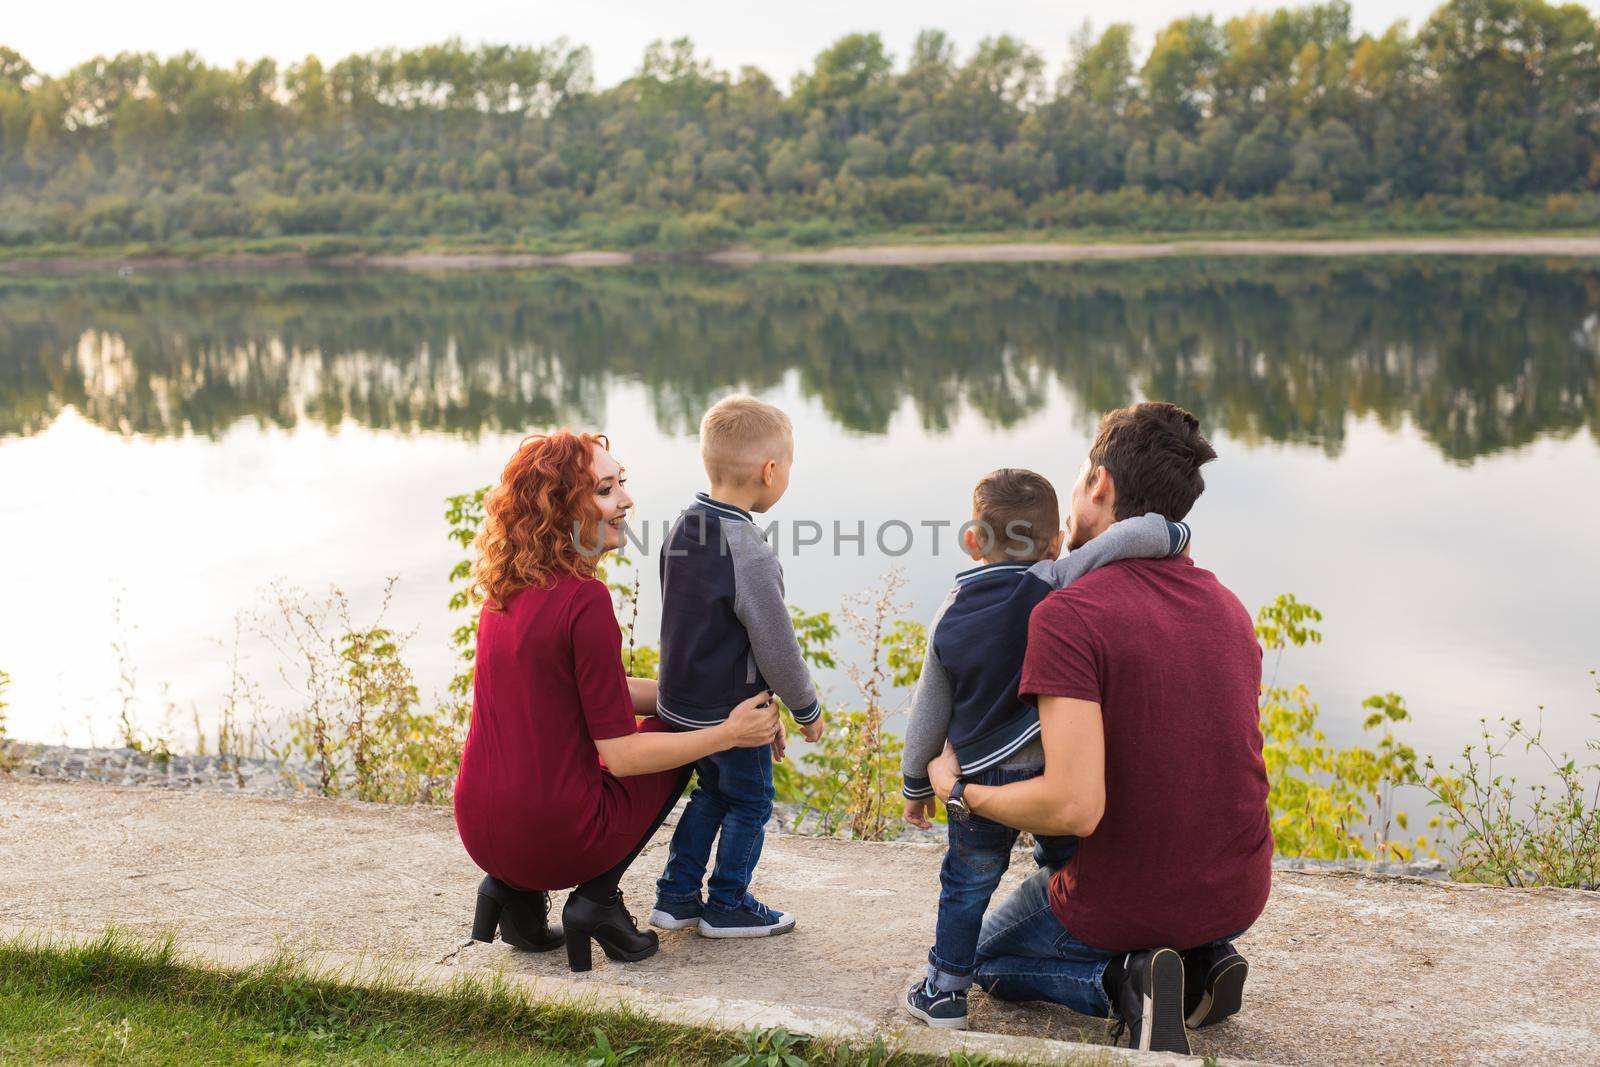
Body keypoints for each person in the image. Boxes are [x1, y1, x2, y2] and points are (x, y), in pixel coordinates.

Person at [926, 402, 1272, 1054]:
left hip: (1130, 901)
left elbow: (1072, 806)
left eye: (1081, 475)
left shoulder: (1068, 613)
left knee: (985, 960)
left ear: (1100, 486)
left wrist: (960, 789)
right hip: (1239, 891)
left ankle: (1125, 981)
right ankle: (1203, 958)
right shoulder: (1228, 606)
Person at [453, 430, 782, 974]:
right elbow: (625, 756)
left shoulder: (505, 587)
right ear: (562, 509)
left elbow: (593, 689)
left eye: (621, 484)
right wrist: (728, 733)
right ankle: (598, 899)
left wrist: (712, 704)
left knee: (677, 718)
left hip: (481, 829)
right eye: (606, 490)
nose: (626, 501)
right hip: (553, 837)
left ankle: (511, 897)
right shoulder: (584, 600)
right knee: (680, 740)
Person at [900, 467, 1190, 1030]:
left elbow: (927, 707)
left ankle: (945, 992)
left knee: (965, 885)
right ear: (1055, 540)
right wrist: (1172, 535)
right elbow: (1124, 538)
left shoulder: (950, 609)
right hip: (1052, 773)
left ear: (972, 540)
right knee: (1068, 867)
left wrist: (917, 785)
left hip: (981, 777)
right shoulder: (1053, 579)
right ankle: (1114, 956)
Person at [651, 395, 825, 938]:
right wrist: (803, 708)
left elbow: (688, 620)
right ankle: (727, 903)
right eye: (789, 466)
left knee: (712, 795)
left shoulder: (682, 526)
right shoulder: (747, 548)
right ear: (770, 471)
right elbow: (775, 643)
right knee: (751, 801)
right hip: (734, 712)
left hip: (683, 703)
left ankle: (676, 897)